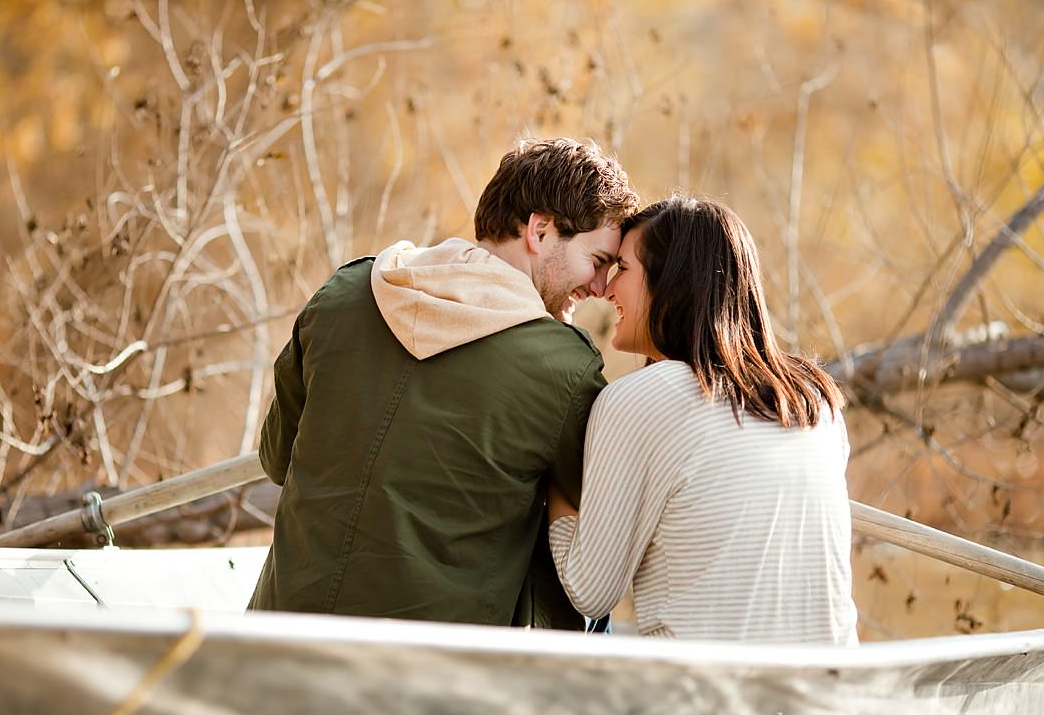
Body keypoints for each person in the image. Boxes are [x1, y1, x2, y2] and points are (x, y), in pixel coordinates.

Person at [249, 138, 640, 629]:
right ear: (540, 230)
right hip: (430, 675)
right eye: (599, 260)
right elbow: (596, 532)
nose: (602, 287)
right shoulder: (563, 368)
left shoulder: (344, 295)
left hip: (273, 640)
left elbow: (276, 458)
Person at [548, 194, 858, 644]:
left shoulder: (641, 399)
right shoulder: (815, 400)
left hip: (706, 703)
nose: (607, 290)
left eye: (625, 269)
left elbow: (589, 591)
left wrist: (553, 474)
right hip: (828, 699)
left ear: (672, 282)